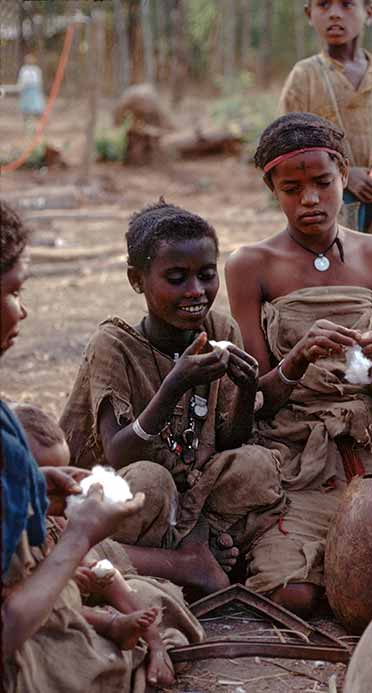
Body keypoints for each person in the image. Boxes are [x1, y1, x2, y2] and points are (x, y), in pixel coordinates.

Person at [1, 199, 198, 692]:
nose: (22, 309)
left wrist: (34, 481)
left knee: (146, 600)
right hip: (16, 635)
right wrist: (77, 538)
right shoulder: (115, 343)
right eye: (13, 292)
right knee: (133, 627)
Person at [59, 200, 288, 596]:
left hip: (188, 496)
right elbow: (118, 453)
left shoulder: (220, 328)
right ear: (137, 280)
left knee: (256, 464)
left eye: (206, 275)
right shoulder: (114, 345)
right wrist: (173, 387)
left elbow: (230, 440)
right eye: (177, 278)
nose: (196, 292)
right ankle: (183, 561)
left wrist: (248, 387)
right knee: (152, 480)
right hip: (126, 493)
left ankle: (189, 550)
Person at [227, 112, 372, 617]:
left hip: (365, 441)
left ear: (344, 175)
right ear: (272, 189)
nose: (310, 200)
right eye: (292, 188)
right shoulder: (250, 265)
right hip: (294, 448)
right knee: (293, 595)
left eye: (323, 183)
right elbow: (259, 398)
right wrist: (298, 358)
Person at [279, 0, 372, 435]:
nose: (335, 15)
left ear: (369, 12)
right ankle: (324, 399)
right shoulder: (305, 76)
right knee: (329, 303)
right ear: (307, 12)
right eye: (323, 5)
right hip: (326, 211)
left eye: (347, 4)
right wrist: (347, 177)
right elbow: (285, 148)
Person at [14, 403, 202, 688]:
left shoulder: (54, 521)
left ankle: (124, 630)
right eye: (39, 477)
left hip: (67, 605)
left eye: (58, 473)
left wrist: (154, 640)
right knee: (64, 639)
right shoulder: (11, 530)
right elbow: (23, 611)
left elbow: (103, 573)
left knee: (153, 595)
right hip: (34, 624)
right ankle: (110, 628)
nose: (58, 486)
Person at [0, 53, 45, 127]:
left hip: (34, 90)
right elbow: (21, 80)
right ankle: (26, 121)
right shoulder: (24, 69)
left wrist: (39, 89)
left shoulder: (36, 69)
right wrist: (20, 88)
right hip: (26, 90)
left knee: (37, 106)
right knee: (26, 107)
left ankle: (39, 121)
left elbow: (39, 80)